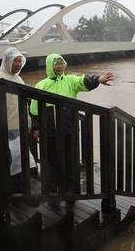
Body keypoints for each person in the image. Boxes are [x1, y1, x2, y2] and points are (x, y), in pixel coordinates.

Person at [29, 53, 114, 194]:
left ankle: (70, 188)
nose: (59, 66)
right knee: (50, 160)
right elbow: (34, 109)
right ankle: (52, 188)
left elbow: (83, 80)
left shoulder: (70, 80)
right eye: (56, 64)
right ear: (50, 66)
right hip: (49, 131)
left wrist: (98, 79)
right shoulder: (41, 85)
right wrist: (36, 127)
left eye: (61, 63)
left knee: (70, 159)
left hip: (69, 130)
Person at [0, 47, 35, 193]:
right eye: (15, 61)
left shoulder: (18, 79)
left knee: (20, 159)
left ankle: (17, 189)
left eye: (20, 61)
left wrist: (28, 123)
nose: (18, 64)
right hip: (4, 127)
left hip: (19, 126)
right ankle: (5, 190)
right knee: (6, 159)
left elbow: (23, 104)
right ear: (7, 61)